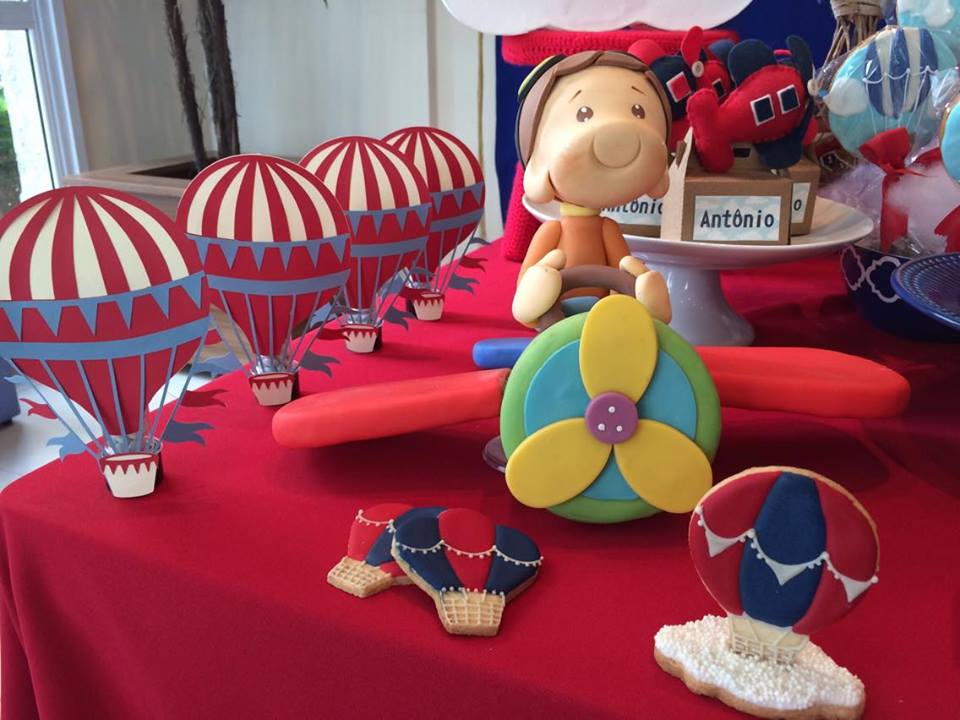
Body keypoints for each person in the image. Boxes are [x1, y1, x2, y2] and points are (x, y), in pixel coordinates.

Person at [512, 51, 673, 326]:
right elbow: (523, 292)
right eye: (583, 113)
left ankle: (650, 305)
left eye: (638, 111)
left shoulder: (608, 229)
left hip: (604, 322)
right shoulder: (552, 231)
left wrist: (636, 289)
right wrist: (536, 291)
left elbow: (622, 270)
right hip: (555, 322)